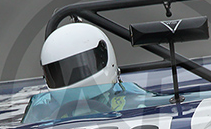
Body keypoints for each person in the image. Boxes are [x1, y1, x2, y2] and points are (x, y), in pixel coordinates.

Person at [22, 22, 154, 122]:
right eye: (62, 71)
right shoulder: (41, 108)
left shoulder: (133, 99)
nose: (72, 76)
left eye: (82, 66)